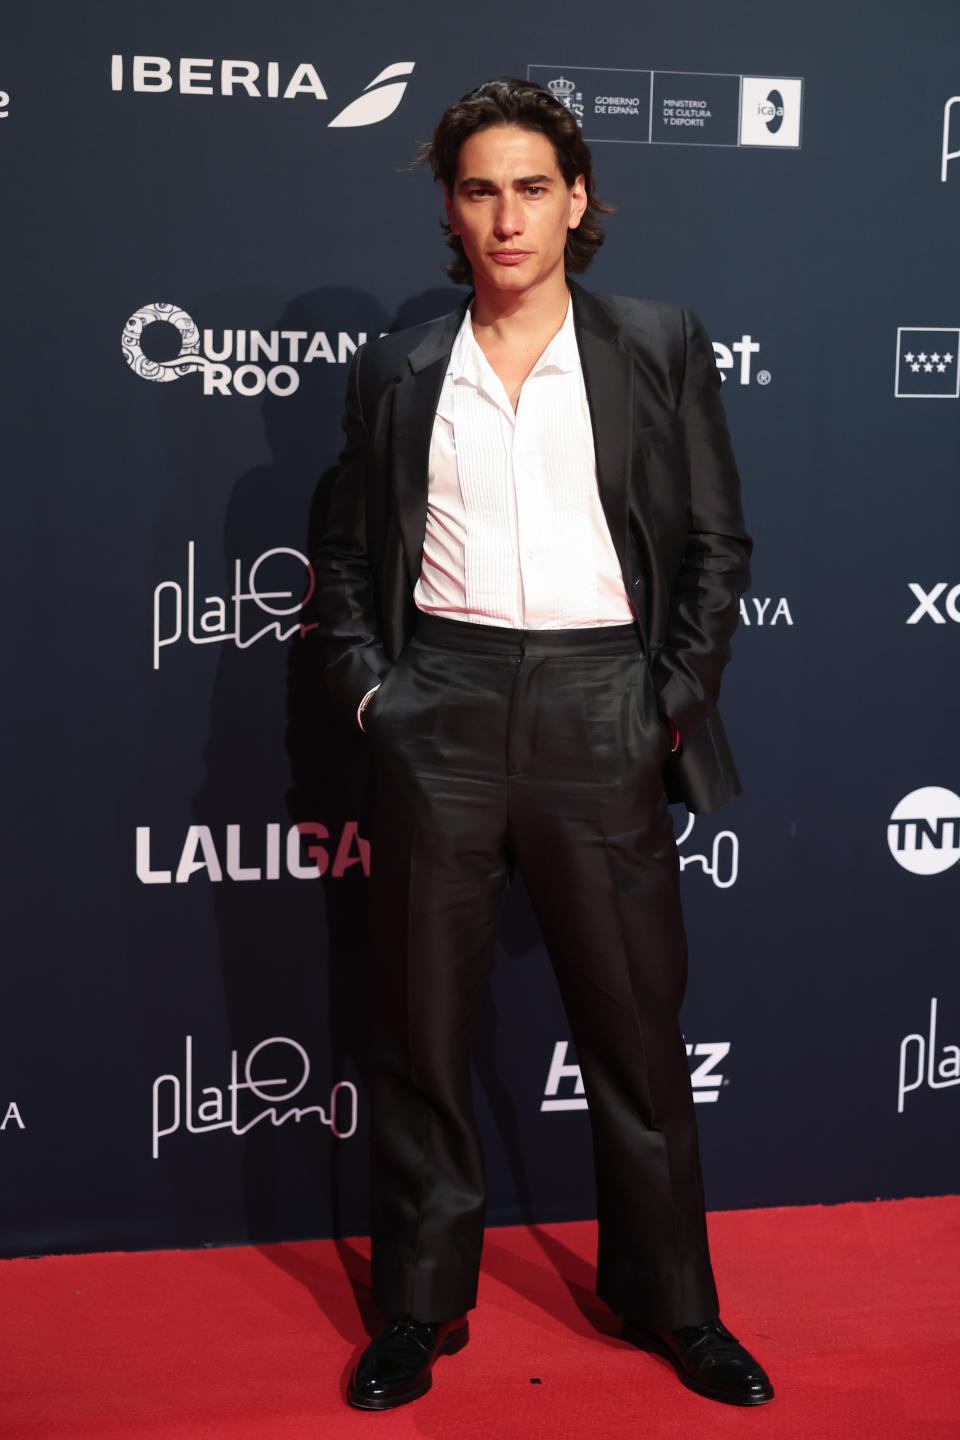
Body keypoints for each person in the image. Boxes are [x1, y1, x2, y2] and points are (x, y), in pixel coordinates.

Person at [312, 76, 772, 1411]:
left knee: (635, 1034)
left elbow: (715, 544)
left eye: (530, 187)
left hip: (599, 703)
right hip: (438, 707)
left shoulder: (656, 343)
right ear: (450, 211)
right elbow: (346, 556)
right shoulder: (399, 366)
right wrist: (371, 698)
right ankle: (419, 1306)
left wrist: (665, 697)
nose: (505, 217)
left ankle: (670, 1302)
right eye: (477, 190)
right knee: (422, 1028)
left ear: (577, 201)